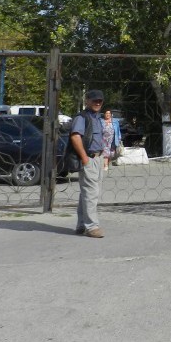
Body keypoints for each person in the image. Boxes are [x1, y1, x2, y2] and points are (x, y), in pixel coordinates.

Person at [71, 89, 106, 238]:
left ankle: (81, 224)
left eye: (100, 101)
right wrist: (84, 157)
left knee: (87, 193)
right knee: (91, 193)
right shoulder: (82, 117)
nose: (97, 103)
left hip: (97, 158)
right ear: (87, 101)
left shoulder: (97, 118)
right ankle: (92, 227)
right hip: (89, 158)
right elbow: (75, 137)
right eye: (94, 100)